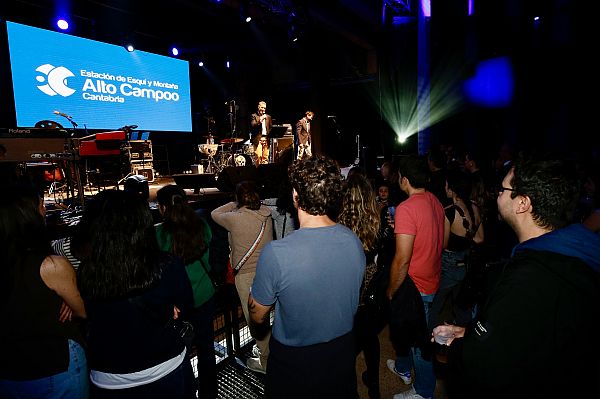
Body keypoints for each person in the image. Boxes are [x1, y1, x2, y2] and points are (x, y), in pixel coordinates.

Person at [432, 158, 600, 398]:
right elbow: (525, 334)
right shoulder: (575, 250)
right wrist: (469, 331)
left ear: (522, 203)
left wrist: (457, 348)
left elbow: (484, 364)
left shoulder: (531, 276)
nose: (497, 195)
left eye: (503, 189)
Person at [248, 155, 366, 398]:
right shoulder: (353, 241)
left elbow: (258, 315)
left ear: (295, 195)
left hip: (295, 360)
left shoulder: (277, 253)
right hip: (342, 349)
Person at [75, 190, 195, 399]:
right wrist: (168, 308)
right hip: (165, 369)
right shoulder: (167, 265)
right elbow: (185, 306)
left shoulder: (86, 271)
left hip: (109, 378)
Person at [0, 183, 88, 399]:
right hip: (54, 365)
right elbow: (84, 311)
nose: (45, 210)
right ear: (26, 215)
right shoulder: (50, 265)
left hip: (8, 368)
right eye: (41, 205)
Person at [386, 155, 445, 399]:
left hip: (415, 285)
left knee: (419, 342)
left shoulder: (407, 207)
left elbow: (402, 260)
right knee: (409, 333)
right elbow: (444, 240)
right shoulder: (434, 200)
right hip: (432, 278)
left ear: (404, 179)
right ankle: (403, 368)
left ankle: (423, 391)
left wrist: (391, 290)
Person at [155, 185, 217, 399]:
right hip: (205, 296)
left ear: (163, 208)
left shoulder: (158, 235)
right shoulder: (202, 226)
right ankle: (210, 393)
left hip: (177, 305)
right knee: (206, 348)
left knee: (181, 352)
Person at [211, 181, 273, 374]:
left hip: (246, 276)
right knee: (268, 316)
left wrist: (234, 203)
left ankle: (266, 361)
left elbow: (214, 214)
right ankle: (269, 350)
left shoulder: (235, 218)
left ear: (239, 199)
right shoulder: (265, 214)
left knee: (255, 321)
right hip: (267, 271)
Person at [338, 174, 383, 399]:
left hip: (349, 282)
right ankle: (374, 385)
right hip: (370, 283)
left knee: (349, 337)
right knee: (369, 336)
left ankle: (349, 388)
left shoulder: (340, 222)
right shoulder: (377, 218)